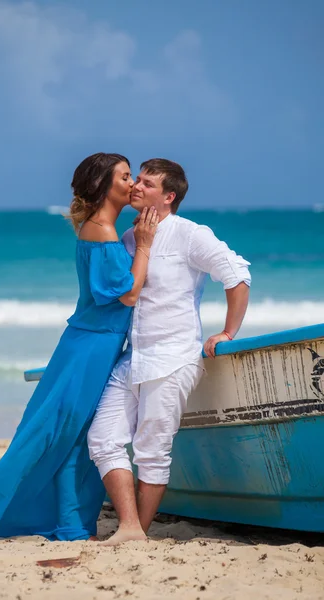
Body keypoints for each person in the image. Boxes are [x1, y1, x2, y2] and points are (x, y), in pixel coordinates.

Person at [0, 152, 158, 546]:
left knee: (76, 436)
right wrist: (145, 244)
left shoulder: (105, 228)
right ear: (103, 185)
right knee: (47, 432)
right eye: (126, 176)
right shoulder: (101, 230)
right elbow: (129, 294)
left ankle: (70, 525)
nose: (133, 184)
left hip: (98, 346)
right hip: (88, 351)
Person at [88, 158, 251, 546]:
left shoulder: (189, 234)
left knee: (151, 450)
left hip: (174, 357)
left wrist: (228, 332)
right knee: (102, 438)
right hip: (133, 359)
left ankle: (136, 532)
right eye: (136, 180)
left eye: (147, 183)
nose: (137, 187)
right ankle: (129, 527)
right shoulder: (129, 238)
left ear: (169, 196)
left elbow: (237, 274)